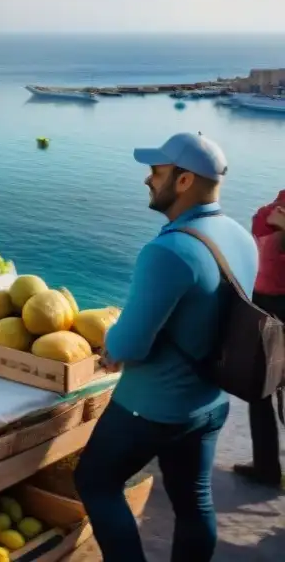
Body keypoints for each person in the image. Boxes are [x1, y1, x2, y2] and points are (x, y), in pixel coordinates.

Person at [74, 132, 257, 562]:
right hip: (209, 402)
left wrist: (110, 337)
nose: (147, 180)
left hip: (150, 408)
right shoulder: (239, 237)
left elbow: (129, 345)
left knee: (95, 483)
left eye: (156, 171)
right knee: (194, 502)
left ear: (183, 181)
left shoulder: (168, 251)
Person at [233, 191, 285, 487]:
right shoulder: (267, 215)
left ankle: (266, 468)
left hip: (268, 307)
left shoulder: (266, 214)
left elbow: (259, 260)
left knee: (261, 389)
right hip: (270, 304)